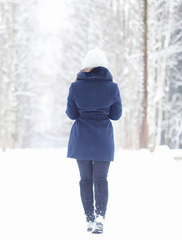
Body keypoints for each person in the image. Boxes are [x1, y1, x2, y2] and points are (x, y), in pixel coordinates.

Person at [65, 48, 122, 234]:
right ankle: (100, 218)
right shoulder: (112, 87)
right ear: (104, 66)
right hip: (103, 140)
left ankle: (89, 219)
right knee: (101, 179)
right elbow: (116, 115)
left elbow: (71, 114)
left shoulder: (75, 86)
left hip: (81, 138)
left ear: (86, 65)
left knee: (85, 179)